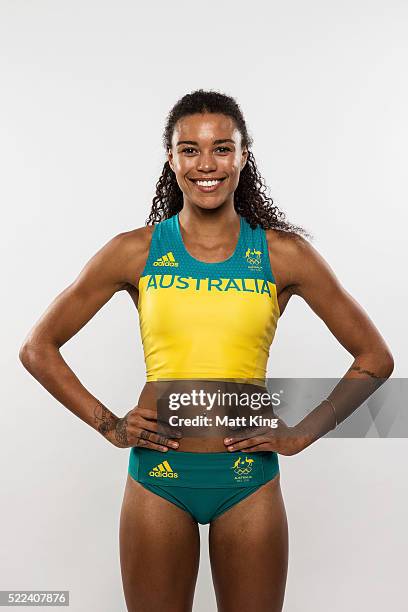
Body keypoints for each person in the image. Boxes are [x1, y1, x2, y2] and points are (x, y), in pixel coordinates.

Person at [19, 89, 394, 612]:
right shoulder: (136, 250)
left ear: (244, 156)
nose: (206, 164)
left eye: (222, 147)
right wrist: (110, 425)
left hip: (248, 482)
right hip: (158, 480)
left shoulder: (284, 254)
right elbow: (38, 348)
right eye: (189, 149)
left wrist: (301, 434)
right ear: (170, 159)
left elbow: (376, 359)